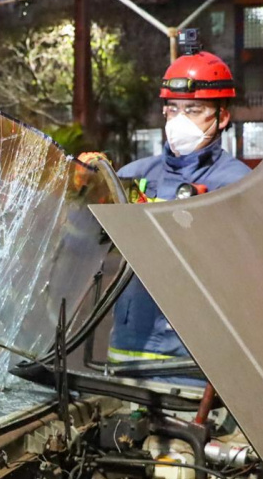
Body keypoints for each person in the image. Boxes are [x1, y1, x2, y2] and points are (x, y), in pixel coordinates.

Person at [104, 47, 250, 371]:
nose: (178, 121)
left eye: (193, 110)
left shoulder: (237, 184)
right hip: (128, 353)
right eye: (172, 109)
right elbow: (86, 238)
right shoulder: (135, 174)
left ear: (222, 116)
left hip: (193, 365)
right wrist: (81, 191)